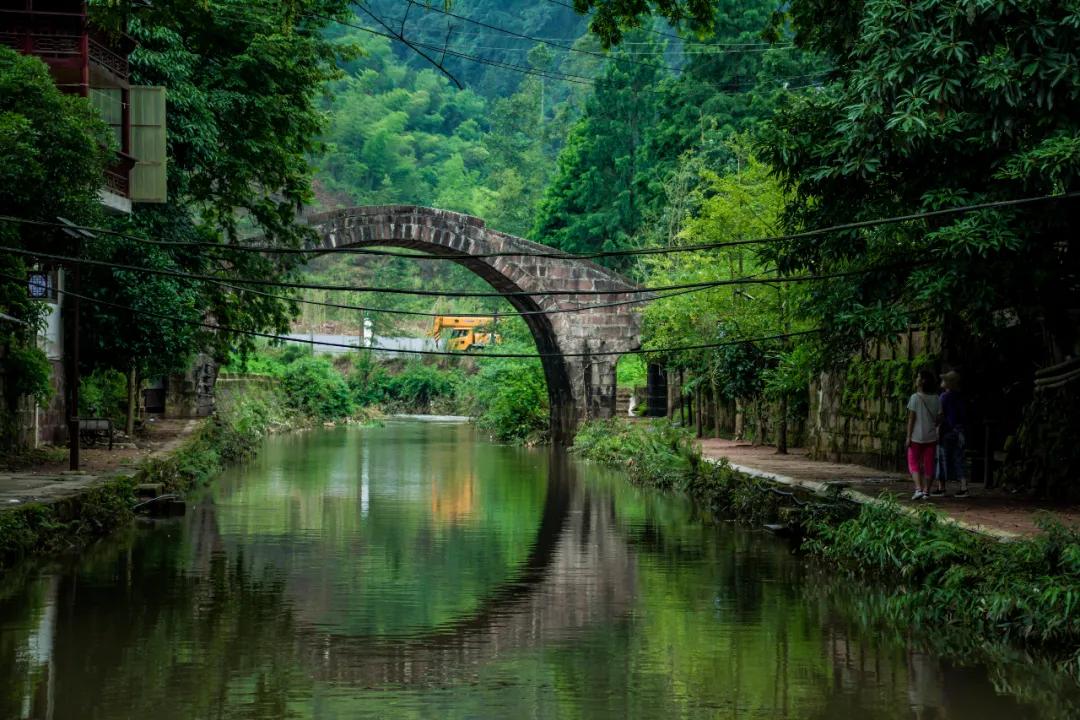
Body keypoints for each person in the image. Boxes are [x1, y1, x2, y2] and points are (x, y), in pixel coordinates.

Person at [906, 369, 942, 501]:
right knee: (929, 464)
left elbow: (911, 419)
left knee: (913, 462)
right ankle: (927, 491)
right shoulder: (936, 398)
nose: (916, 379)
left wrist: (908, 436)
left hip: (916, 436)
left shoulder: (914, 397)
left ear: (922, 381)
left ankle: (918, 489)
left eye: (918, 377)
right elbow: (939, 419)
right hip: (931, 436)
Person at [937, 371, 968, 497]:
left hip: (947, 431)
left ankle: (941, 487)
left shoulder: (944, 397)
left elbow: (940, 415)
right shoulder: (960, 396)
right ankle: (964, 486)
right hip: (960, 431)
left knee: (941, 458)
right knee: (958, 459)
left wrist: (937, 429)